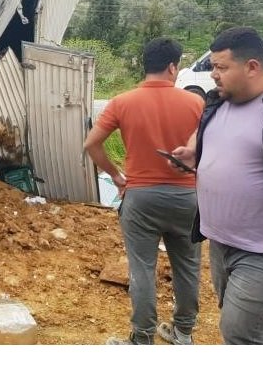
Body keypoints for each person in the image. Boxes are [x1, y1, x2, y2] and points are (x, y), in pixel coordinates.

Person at [170, 26, 263, 344]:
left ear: (252, 67)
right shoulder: (220, 100)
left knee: (238, 330)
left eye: (221, 67)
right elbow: (207, 130)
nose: (214, 75)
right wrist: (193, 150)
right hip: (220, 243)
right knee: (251, 328)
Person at [85, 37, 205, 345]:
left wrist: (116, 175)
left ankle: (142, 339)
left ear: (145, 65)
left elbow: (91, 144)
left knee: (142, 270)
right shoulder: (196, 103)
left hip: (141, 198)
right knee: (188, 267)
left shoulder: (122, 102)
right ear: (172, 67)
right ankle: (183, 332)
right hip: (187, 199)